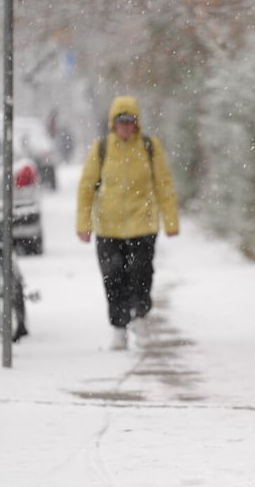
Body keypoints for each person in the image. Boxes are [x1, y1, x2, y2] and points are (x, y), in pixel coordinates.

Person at [76, 95, 179, 350]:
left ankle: (140, 316)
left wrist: (171, 220)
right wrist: (83, 223)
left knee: (141, 274)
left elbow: (164, 184)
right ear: (113, 123)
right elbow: (86, 187)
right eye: (121, 121)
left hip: (143, 225)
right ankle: (119, 327)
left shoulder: (149, 147)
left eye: (130, 121)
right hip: (108, 227)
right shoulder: (101, 149)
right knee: (113, 278)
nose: (125, 127)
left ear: (137, 123)